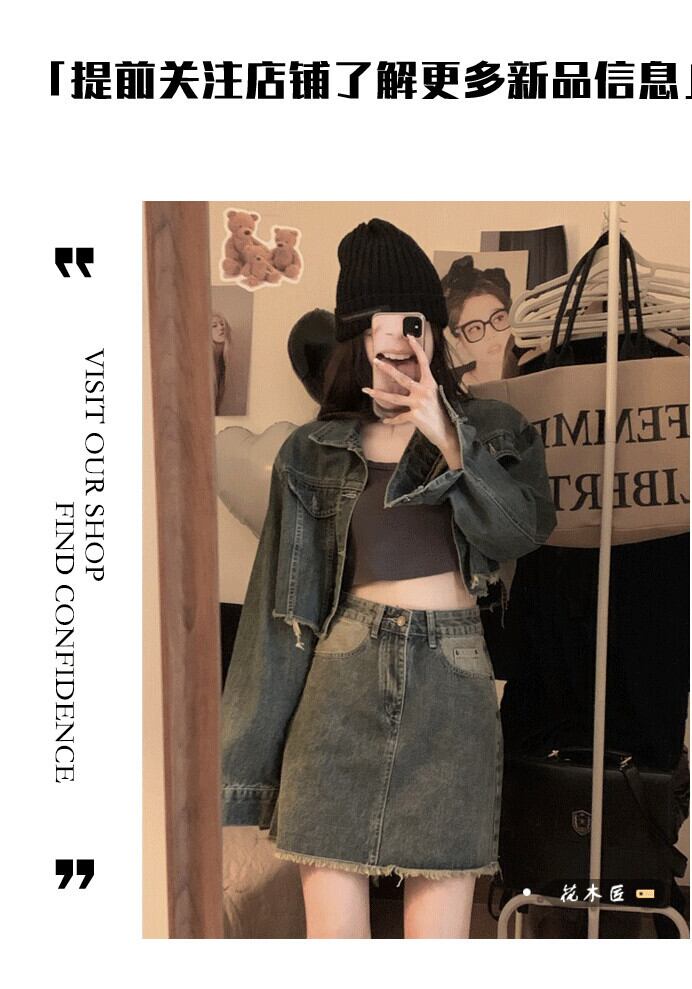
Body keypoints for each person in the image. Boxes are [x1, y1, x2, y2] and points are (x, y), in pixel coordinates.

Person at [221, 219, 556, 938]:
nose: (397, 337)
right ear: (357, 337)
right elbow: (276, 615)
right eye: (378, 322)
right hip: (339, 679)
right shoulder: (312, 450)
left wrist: (447, 435)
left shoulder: (496, 429)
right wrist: (242, 770)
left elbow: (520, 533)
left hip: (453, 686)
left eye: (412, 320)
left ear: (433, 328)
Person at [441, 254, 518, 386]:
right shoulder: (447, 386)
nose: (491, 334)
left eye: (498, 318)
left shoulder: (536, 371)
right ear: (460, 343)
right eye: (475, 328)